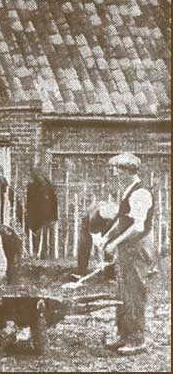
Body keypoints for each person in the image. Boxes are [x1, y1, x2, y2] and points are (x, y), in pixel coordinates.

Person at [100, 152, 156, 356]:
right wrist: (107, 236)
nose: (114, 174)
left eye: (117, 169)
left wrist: (114, 243)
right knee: (123, 292)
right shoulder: (128, 192)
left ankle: (137, 339)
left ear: (128, 171)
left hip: (137, 248)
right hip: (126, 249)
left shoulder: (141, 193)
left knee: (134, 292)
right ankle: (124, 335)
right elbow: (122, 220)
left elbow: (138, 227)